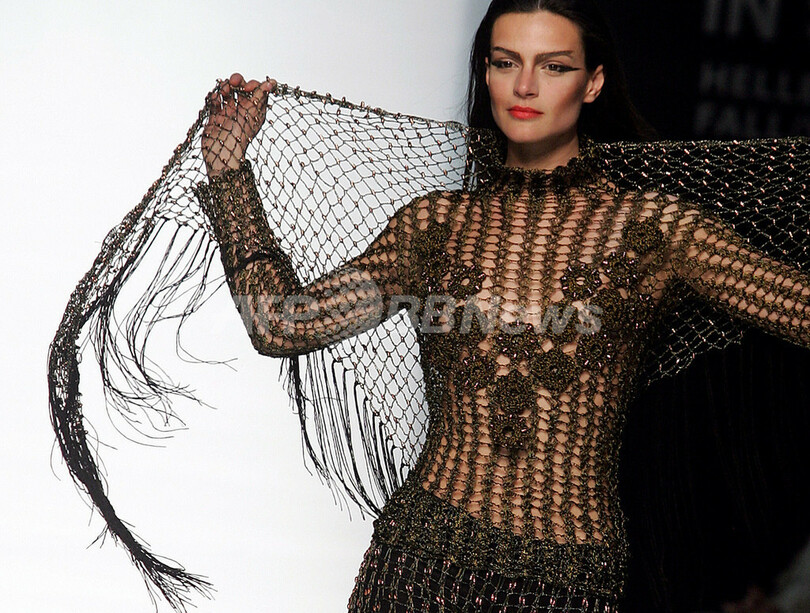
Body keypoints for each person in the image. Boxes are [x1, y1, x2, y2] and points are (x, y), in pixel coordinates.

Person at [48, 0, 810, 611]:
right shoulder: (436, 226)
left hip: (568, 581)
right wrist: (229, 173)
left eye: (553, 66)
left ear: (594, 83)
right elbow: (282, 323)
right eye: (505, 62)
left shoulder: (657, 232)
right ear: (485, 73)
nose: (524, 86)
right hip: (419, 562)